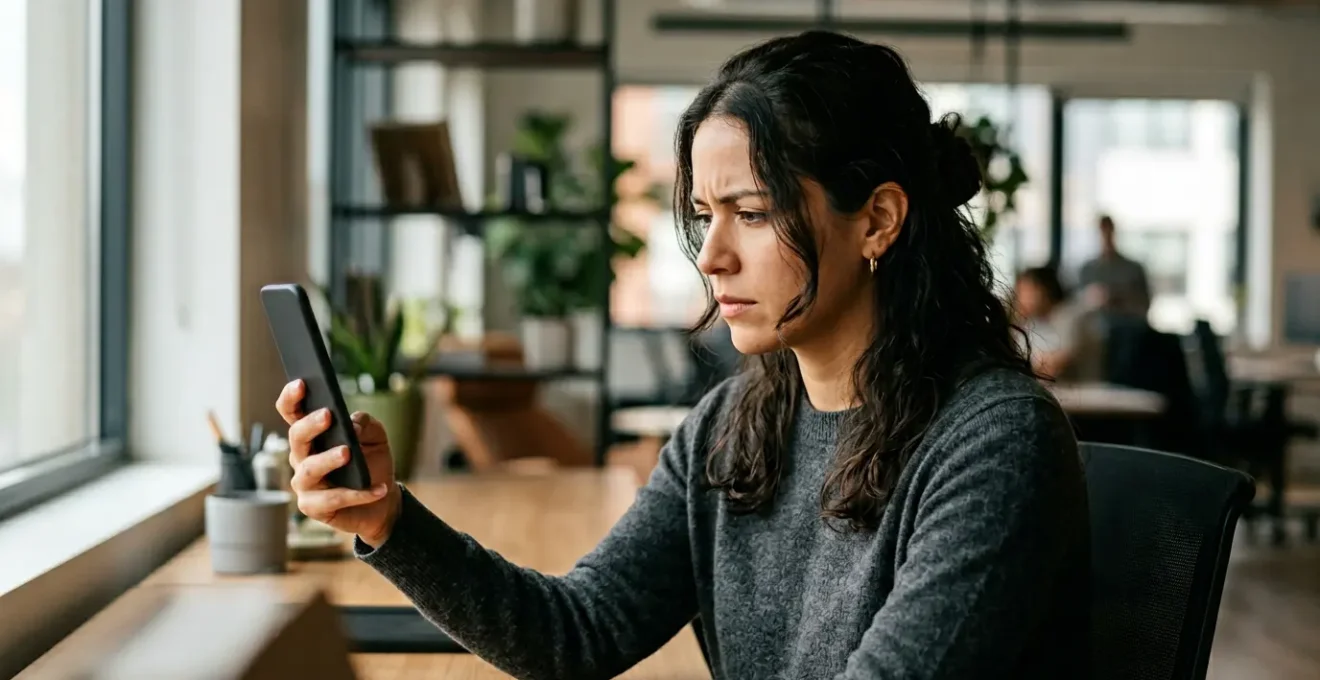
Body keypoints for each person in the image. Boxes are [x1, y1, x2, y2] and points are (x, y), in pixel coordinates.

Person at [278, 31, 1090, 679]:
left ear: (877, 220)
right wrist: (386, 520)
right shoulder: (734, 425)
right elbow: (577, 633)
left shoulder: (994, 443)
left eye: (753, 212)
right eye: (706, 215)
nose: (711, 257)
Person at [1015, 265, 1103, 381]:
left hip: (1085, 392)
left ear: (1044, 291)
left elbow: (1059, 363)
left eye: (1025, 291)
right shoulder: (1032, 322)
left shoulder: (1070, 316)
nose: (1020, 298)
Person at [1079, 215, 1151, 318]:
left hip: (1127, 325)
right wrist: (1091, 298)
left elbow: (1144, 305)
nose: (1105, 237)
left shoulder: (1133, 269)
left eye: (1108, 231)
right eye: (1102, 232)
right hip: (1094, 327)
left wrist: (1118, 299)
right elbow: (1076, 305)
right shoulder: (1087, 270)